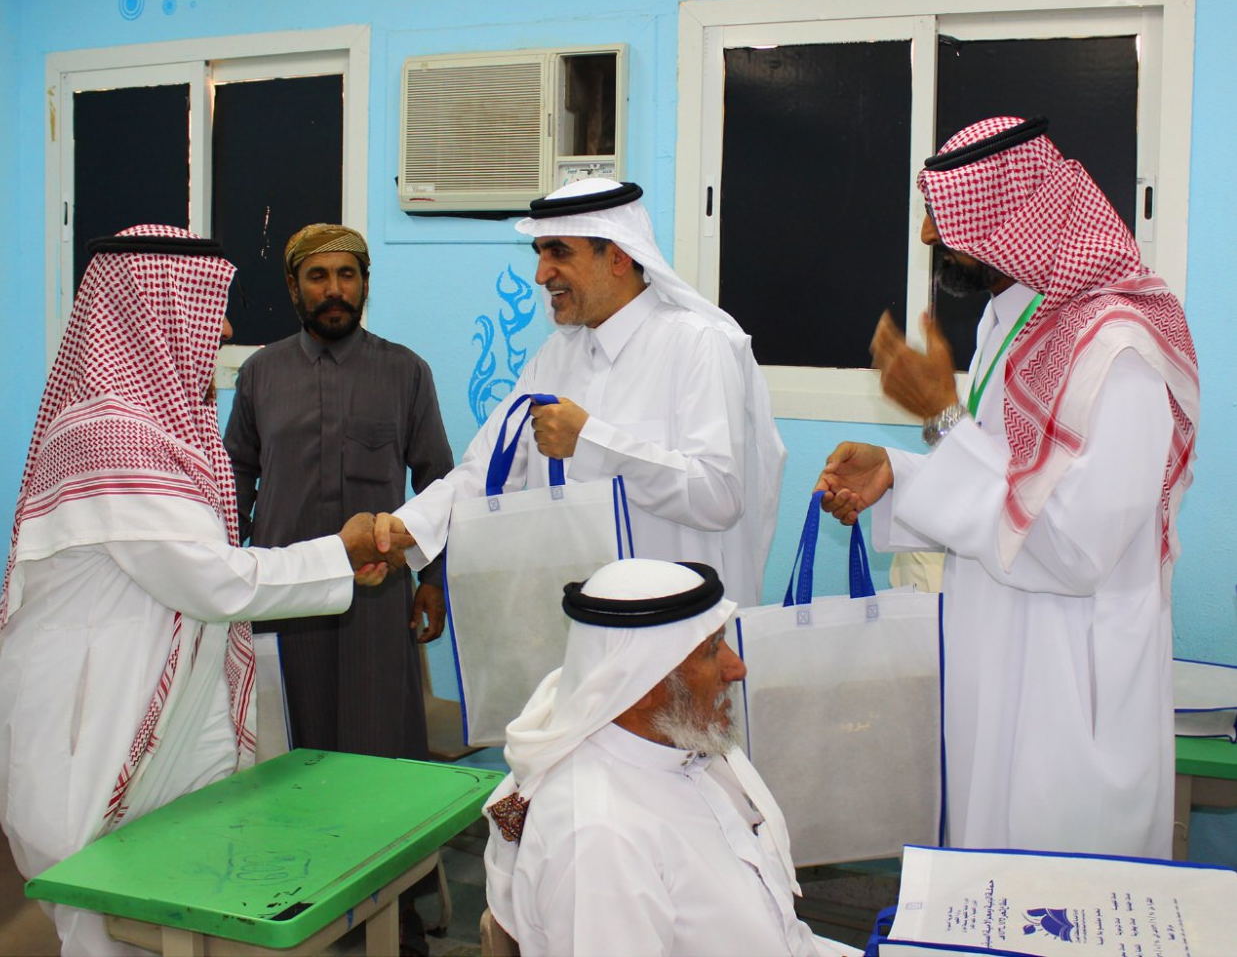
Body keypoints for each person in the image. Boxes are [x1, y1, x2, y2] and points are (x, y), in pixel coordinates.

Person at [0, 225, 411, 956]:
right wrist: (338, 555)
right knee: (105, 924)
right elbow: (210, 579)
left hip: (157, 717)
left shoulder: (160, 432)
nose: (220, 329)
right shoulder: (110, 435)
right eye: (210, 308)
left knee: (172, 911)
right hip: (95, 723)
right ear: (147, 313)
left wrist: (339, 563)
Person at [816, 116, 1199, 858]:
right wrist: (900, 473)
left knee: (1057, 890)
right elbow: (1006, 475)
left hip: (1068, 686)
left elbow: (1074, 547)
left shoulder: (1117, 350)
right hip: (997, 654)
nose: (928, 235)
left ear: (1012, 215)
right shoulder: (1012, 320)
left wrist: (942, 418)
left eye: (944, 215)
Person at [380, 178, 786, 609]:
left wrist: (590, 443)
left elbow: (719, 496)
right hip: (579, 621)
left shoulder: (697, 344)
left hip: (676, 621)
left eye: (559, 252)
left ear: (618, 256)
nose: (541, 275)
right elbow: (486, 468)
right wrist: (412, 525)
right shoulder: (553, 358)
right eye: (540, 253)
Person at [482, 558, 861, 956]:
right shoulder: (600, 837)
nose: (737, 667)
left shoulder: (680, 749)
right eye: (712, 650)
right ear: (638, 685)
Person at [224, 224, 453, 759]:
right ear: (293, 286)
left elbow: (437, 484)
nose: (334, 289)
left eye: (347, 275)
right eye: (318, 276)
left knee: (378, 740)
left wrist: (433, 580)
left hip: (375, 595)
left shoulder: (405, 372)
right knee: (285, 746)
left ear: (365, 283)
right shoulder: (259, 374)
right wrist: (226, 574)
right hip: (283, 590)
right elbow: (236, 479)